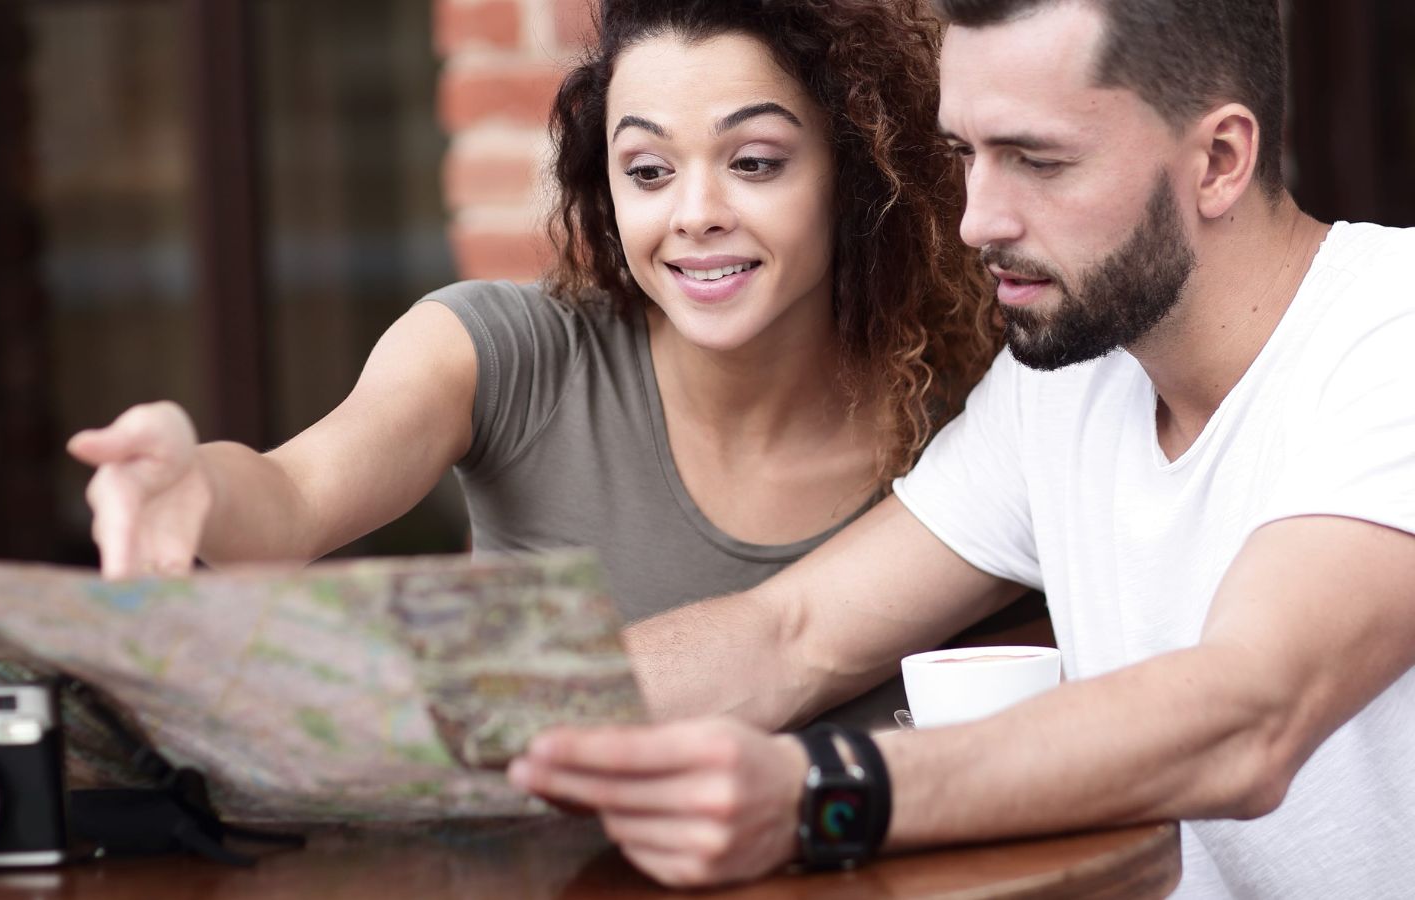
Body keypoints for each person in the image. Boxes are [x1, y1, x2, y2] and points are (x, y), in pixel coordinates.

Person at [506, 0, 1415, 896]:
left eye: (1038, 160)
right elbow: (790, 636)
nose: (977, 219)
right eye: (964, 155)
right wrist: (445, 715)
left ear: (1218, 160)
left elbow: (1250, 713)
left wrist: (821, 797)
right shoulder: (1069, 382)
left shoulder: (1390, 333)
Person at [68, 0, 1022, 723]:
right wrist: (195, 484)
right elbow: (292, 495)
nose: (694, 213)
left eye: (755, 161)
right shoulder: (503, 353)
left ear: (853, 179)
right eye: (648, 171)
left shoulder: (972, 414)